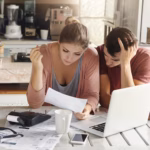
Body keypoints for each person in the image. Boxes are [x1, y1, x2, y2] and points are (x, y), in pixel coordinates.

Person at [27, 23, 99, 120]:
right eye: (65, 50)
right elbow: (34, 103)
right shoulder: (44, 53)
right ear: (59, 42)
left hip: (75, 120)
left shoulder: (91, 56)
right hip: (45, 120)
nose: (69, 58)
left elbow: (92, 94)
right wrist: (38, 67)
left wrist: (87, 108)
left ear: (85, 50)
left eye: (77, 54)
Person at [97, 27, 150, 109]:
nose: (108, 63)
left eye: (115, 60)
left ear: (132, 53)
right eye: (105, 55)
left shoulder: (145, 57)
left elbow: (130, 98)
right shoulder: (99, 52)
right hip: (114, 111)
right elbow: (104, 98)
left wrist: (125, 63)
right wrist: (125, 106)